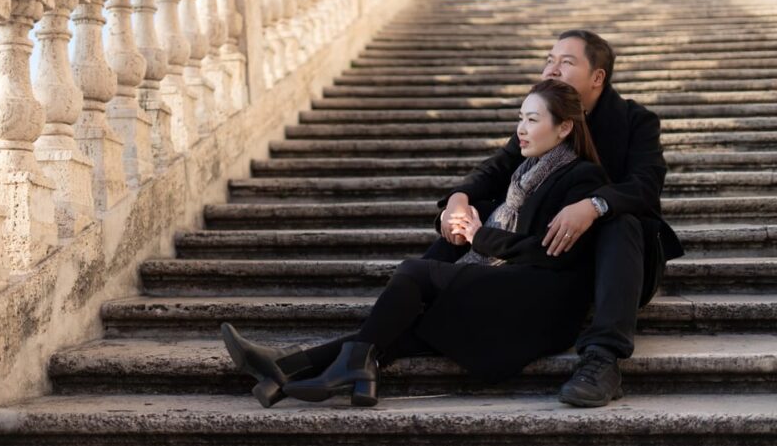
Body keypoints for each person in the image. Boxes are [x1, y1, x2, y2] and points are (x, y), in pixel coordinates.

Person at [222, 79, 609, 408]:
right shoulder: (525, 172)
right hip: (511, 287)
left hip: (542, 305)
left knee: (414, 274)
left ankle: (306, 369)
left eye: (532, 120)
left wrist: (479, 236)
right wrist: (462, 219)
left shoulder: (581, 178)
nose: (521, 129)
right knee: (402, 324)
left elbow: (550, 254)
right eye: (520, 118)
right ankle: (285, 373)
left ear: (564, 128)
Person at [425, 30, 684, 408]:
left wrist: (593, 205)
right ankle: (413, 301)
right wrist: (458, 199)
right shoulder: (544, 114)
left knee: (622, 220)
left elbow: (645, 186)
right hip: (547, 253)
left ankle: (603, 358)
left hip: (615, 260)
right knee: (476, 210)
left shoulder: (635, 121)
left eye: (566, 62)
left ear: (597, 77)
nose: (552, 69)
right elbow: (497, 169)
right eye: (549, 60)